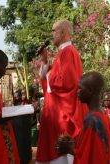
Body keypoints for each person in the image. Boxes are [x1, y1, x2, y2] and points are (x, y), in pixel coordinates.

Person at [36, 19, 88, 163]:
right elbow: (51, 82)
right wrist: (46, 62)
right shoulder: (63, 53)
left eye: (54, 31)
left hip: (63, 115)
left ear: (63, 32)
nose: (51, 34)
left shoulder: (68, 53)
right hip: (56, 112)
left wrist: (49, 74)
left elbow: (66, 83)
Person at [74, 72, 110, 164]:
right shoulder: (103, 115)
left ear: (90, 90)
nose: (77, 91)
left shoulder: (92, 120)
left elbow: (86, 156)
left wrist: (70, 149)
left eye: (80, 88)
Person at [11, 89, 32, 164]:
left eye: (18, 95)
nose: (16, 97)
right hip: (19, 130)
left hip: (23, 129)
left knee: (23, 141)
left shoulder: (26, 106)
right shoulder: (13, 108)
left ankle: (24, 158)